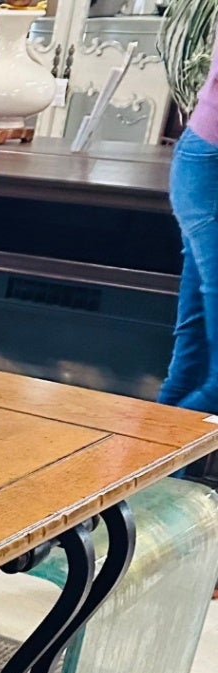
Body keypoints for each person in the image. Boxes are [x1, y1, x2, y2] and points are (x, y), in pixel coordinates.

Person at [160, 34, 218, 412]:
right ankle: (141, 469)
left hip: (204, 160)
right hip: (210, 165)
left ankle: (147, 468)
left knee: (192, 361)